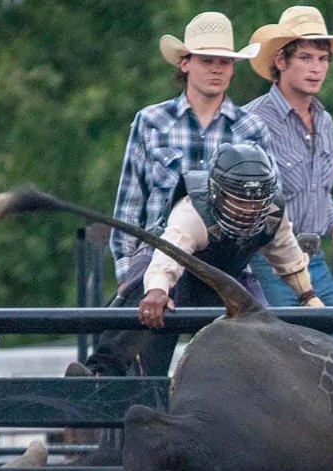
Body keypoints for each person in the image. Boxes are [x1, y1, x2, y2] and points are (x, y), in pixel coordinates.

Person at [73, 144, 323, 378]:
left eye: (257, 202)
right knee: (147, 317)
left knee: (265, 333)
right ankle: (99, 377)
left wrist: (307, 295)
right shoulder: (192, 213)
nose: (249, 209)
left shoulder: (272, 214)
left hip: (225, 277)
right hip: (168, 265)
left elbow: (287, 253)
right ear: (217, 193)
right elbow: (169, 251)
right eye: (239, 201)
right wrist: (157, 290)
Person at [111, 12, 268, 287]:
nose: (217, 69)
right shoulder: (151, 122)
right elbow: (129, 206)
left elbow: (270, 210)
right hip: (157, 256)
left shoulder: (252, 128)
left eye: (225, 62)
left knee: (264, 329)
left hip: (228, 265)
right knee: (128, 326)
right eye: (207, 61)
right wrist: (127, 275)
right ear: (185, 64)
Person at [245, 6, 333, 356]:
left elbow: (318, 189)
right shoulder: (253, 121)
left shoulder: (325, 121)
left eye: (323, 59)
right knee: (294, 359)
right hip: (271, 261)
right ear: (281, 61)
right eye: (306, 58)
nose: (317, 68)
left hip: (316, 260)